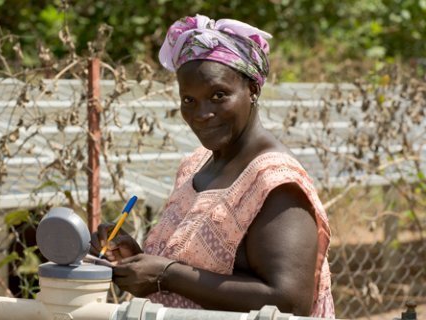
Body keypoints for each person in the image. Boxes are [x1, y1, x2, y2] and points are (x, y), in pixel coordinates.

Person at [91, 14, 335, 318]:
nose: (201, 113)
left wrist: (166, 275)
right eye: (189, 100)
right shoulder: (194, 166)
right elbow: (195, 273)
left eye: (218, 96)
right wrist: (139, 262)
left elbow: (289, 301)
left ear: (253, 90)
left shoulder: (275, 183)